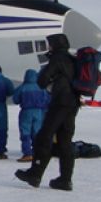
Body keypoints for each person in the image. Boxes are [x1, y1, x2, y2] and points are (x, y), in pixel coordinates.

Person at [15, 33, 80, 191]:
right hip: (73, 104)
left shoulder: (57, 58)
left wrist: (49, 81)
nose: (48, 47)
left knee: (43, 136)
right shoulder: (73, 59)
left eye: (49, 44)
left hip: (60, 103)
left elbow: (42, 79)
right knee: (65, 141)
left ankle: (35, 174)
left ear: (55, 44)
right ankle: (65, 180)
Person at [12, 69, 51, 162]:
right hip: (38, 112)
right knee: (37, 132)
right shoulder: (41, 87)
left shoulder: (22, 87)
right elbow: (48, 100)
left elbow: (15, 100)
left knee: (25, 132)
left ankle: (27, 153)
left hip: (26, 111)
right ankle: (37, 152)